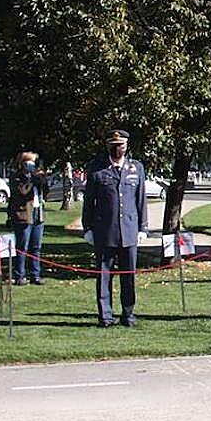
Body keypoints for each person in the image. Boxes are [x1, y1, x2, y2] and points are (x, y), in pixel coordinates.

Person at [82, 130, 148, 327]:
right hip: (105, 231)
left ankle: (128, 314)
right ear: (108, 146)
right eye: (114, 145)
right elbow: (89, 202)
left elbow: (141, 199)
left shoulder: (136, 168)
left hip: (128, 230)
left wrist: (143, 228)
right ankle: (105, 316)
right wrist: (88, 228)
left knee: (129, 275)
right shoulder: (97, 169)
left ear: (126, 146)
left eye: (121, 145)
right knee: (104, 275)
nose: (118, 148)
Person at [8, 151, 49, 286]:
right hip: (24, 215)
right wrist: (31, 178)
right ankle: (20, 275)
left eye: (33, 163)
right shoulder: (17, 177)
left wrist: (42, 179)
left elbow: (46, 191)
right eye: (29, 163)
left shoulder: (37, 177)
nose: (32, 166)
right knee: (22, 247)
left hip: (38, 213)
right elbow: (23, 192)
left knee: (36, 247)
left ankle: (35, 275)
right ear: (23, 164)